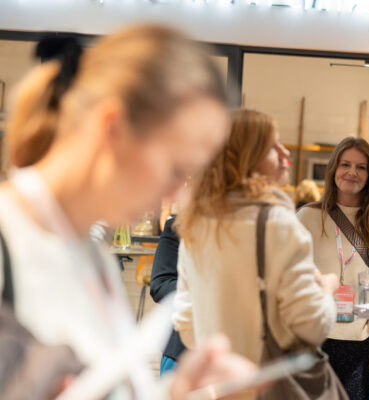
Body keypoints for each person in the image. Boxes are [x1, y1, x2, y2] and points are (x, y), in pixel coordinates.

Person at [0, 25, 256, 399]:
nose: (177, 192)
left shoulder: (91, 255)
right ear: (112, 127)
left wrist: (177, 392)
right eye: (176, 168)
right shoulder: (12, 240)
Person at [173, 109, 338, 369]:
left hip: (217, 380)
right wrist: (327, 290)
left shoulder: (196, 224)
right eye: (272, 146)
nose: (285, 153)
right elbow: (312, 327)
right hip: (265, 380)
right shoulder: (280, 225)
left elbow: (186, 325)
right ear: (246, 158)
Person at [296, 137, 369, 400]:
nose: (352, 172)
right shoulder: (307, 217)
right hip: (315, 341)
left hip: (366, 344)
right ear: (333, 169)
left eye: (361, 167)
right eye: (345, 164)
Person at [151, 215, 187, 375]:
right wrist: (202, 291)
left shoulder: (252, 226)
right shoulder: (178, 226)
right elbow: (160, 284)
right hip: (182, 351)